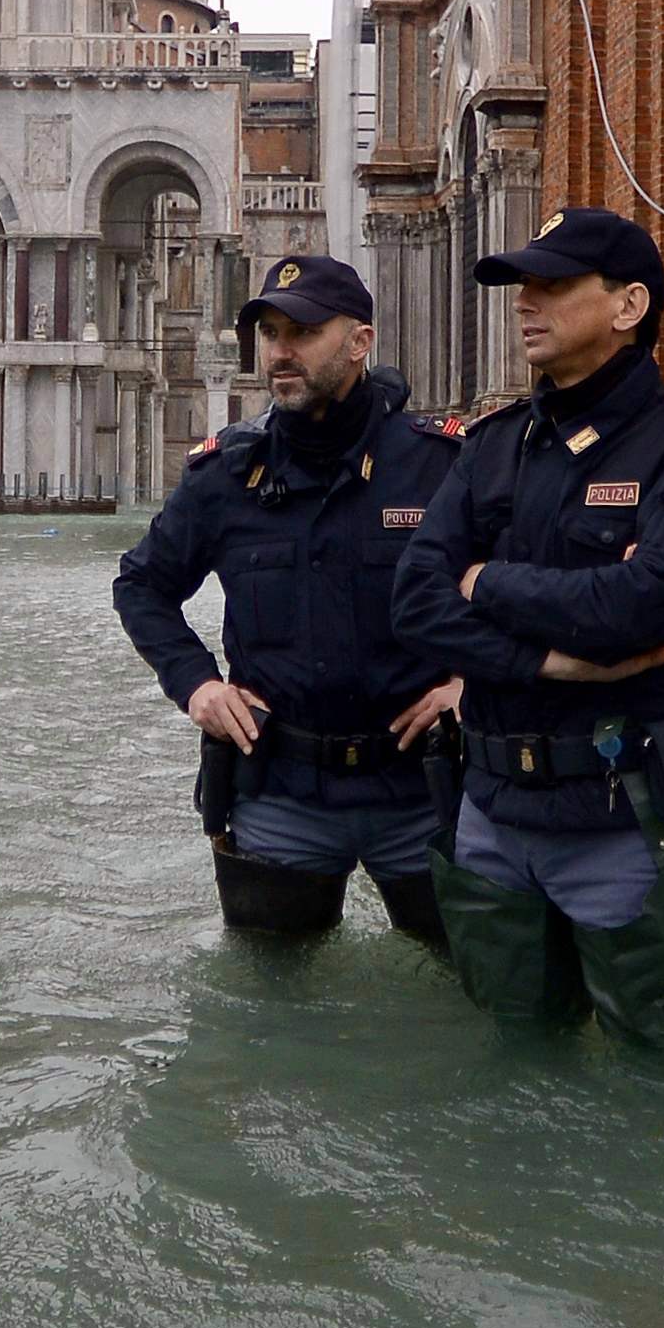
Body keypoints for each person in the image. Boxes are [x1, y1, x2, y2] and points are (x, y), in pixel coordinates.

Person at [391, 208, 664, 1047]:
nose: (526, 302)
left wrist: (484, 579)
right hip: (490, 816)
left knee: (659, 1082)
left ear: (628, 306)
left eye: (552, 284)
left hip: (622, 822)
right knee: (513, 1063)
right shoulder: (491, 445)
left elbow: (642, 605)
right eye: (523, 286)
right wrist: (545, 660)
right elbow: (413, 600)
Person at [111, 253, 468, 946]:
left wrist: (471, 683)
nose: (280, 351)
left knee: (465, 986)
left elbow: (509, 579)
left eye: (302, 331)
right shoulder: (226, 474)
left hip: (422, 790)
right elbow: (141, 585)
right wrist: (197, 686)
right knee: (268, 1005)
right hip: (282, 792)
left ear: (360, 341)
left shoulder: (439, 465)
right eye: (270, 333)